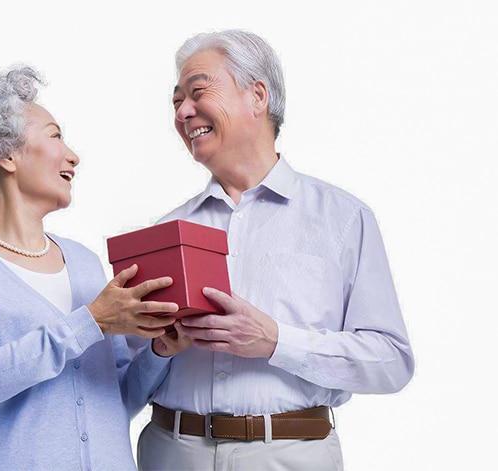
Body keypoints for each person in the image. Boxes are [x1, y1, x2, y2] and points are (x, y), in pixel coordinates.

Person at [136, 30, 415, 471]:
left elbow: (390, 362)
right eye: (176, 102)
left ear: (258, 95)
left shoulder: (342, 218)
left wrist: (276, 341)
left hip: (291, 457)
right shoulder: (165, 231)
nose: (184, 112)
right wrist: (158, 351)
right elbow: (126, 382)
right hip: (172, 453)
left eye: (198, 91)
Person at [0, 66, 188, 470]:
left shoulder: (83, 261)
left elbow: (115, 399)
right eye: (55, 135)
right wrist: (91, 322)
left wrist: (158, 352)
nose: (73, 155)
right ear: (4, 153)